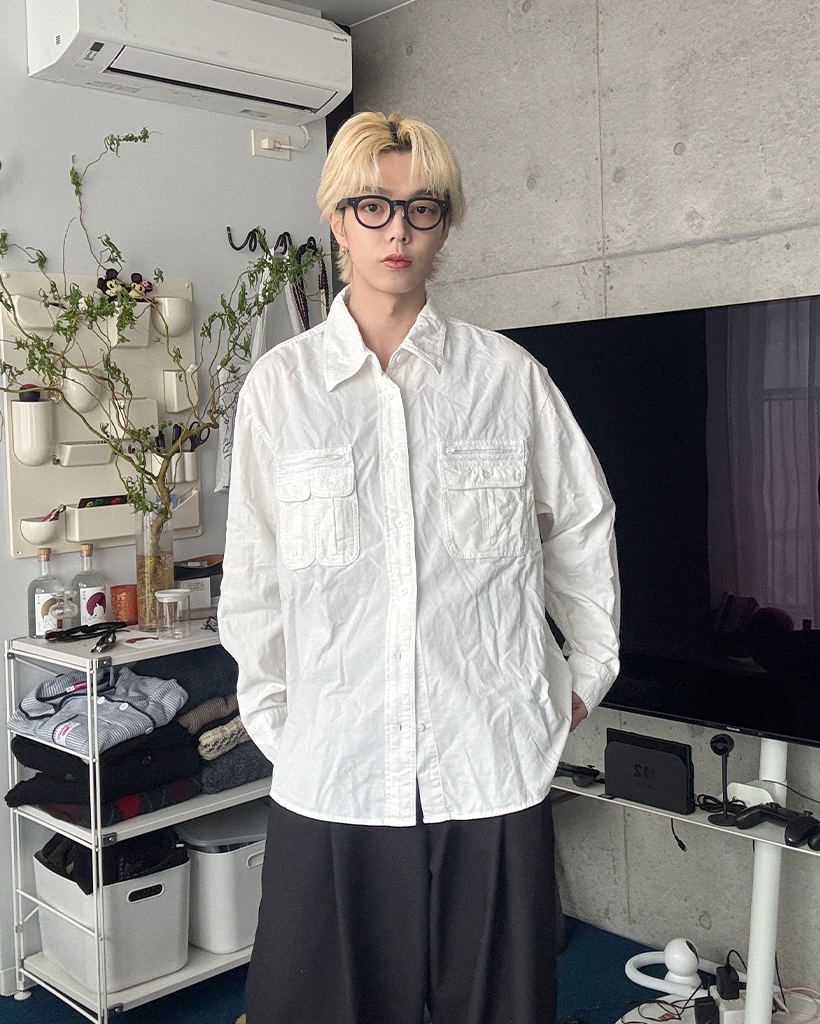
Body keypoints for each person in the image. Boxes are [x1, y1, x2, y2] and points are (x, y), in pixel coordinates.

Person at [219, 110, 620, 1024]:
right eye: (372, 206)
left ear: (445, 224)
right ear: (336, 218)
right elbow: (256, 572)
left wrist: (585, 672)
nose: (396, 229)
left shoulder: (507, 378)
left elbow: (582, 527)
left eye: (421, 208)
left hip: (489, 762)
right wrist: (277, 716)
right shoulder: (281, 389)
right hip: (335, 768)